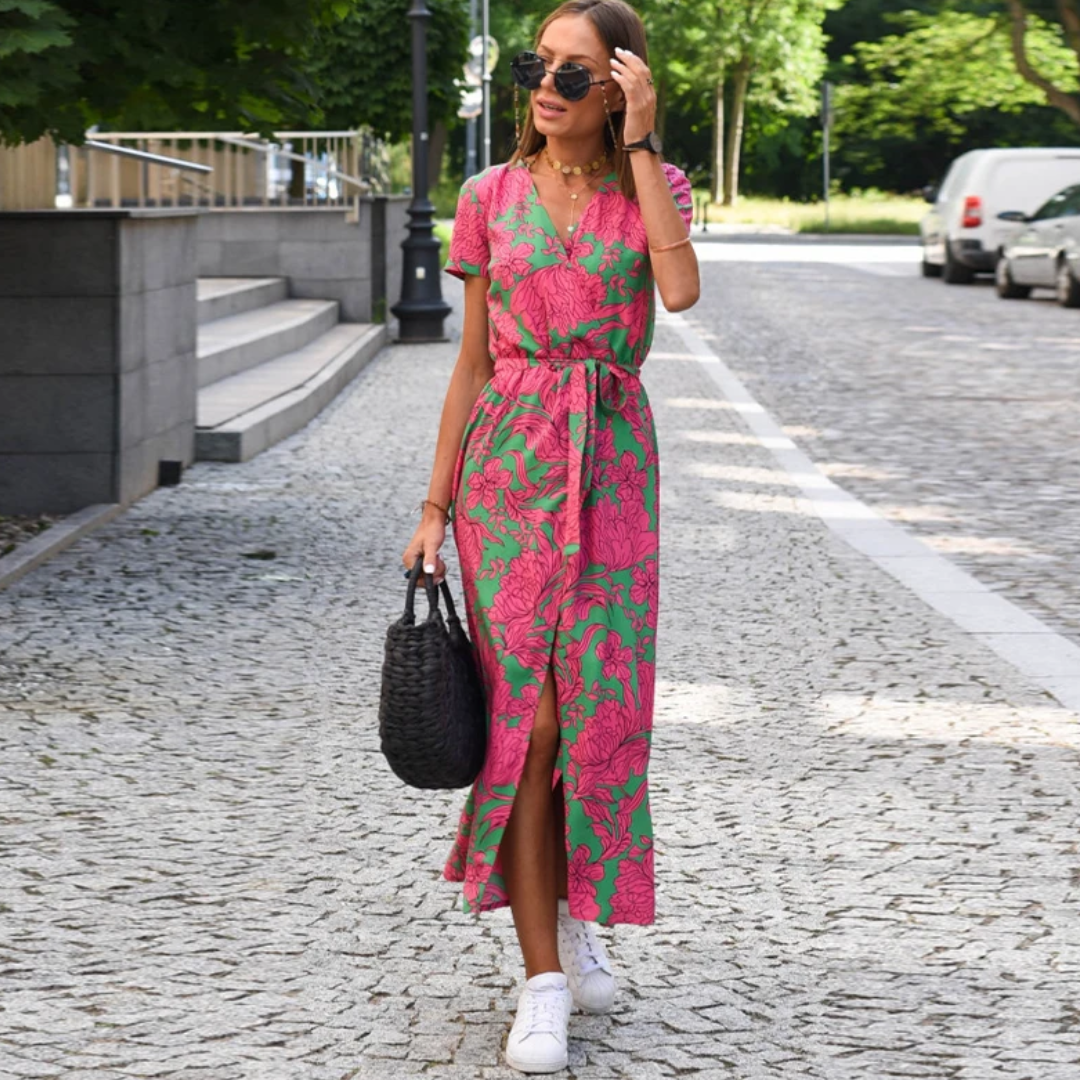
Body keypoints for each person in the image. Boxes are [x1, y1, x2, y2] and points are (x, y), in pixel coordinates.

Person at [401, 0, 699, 1071]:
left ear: (618, 87)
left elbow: (680, 289)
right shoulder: (485, 197)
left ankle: (573, 914)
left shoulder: (649, 190)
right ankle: (540, 981)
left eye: (577, 72)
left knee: (592, 722)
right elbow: (470, 362)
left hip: (615, 466)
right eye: (542, 64)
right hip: (510, 471)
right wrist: (434, 507)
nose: (548, 84)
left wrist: (647, 144)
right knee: (527, 726)